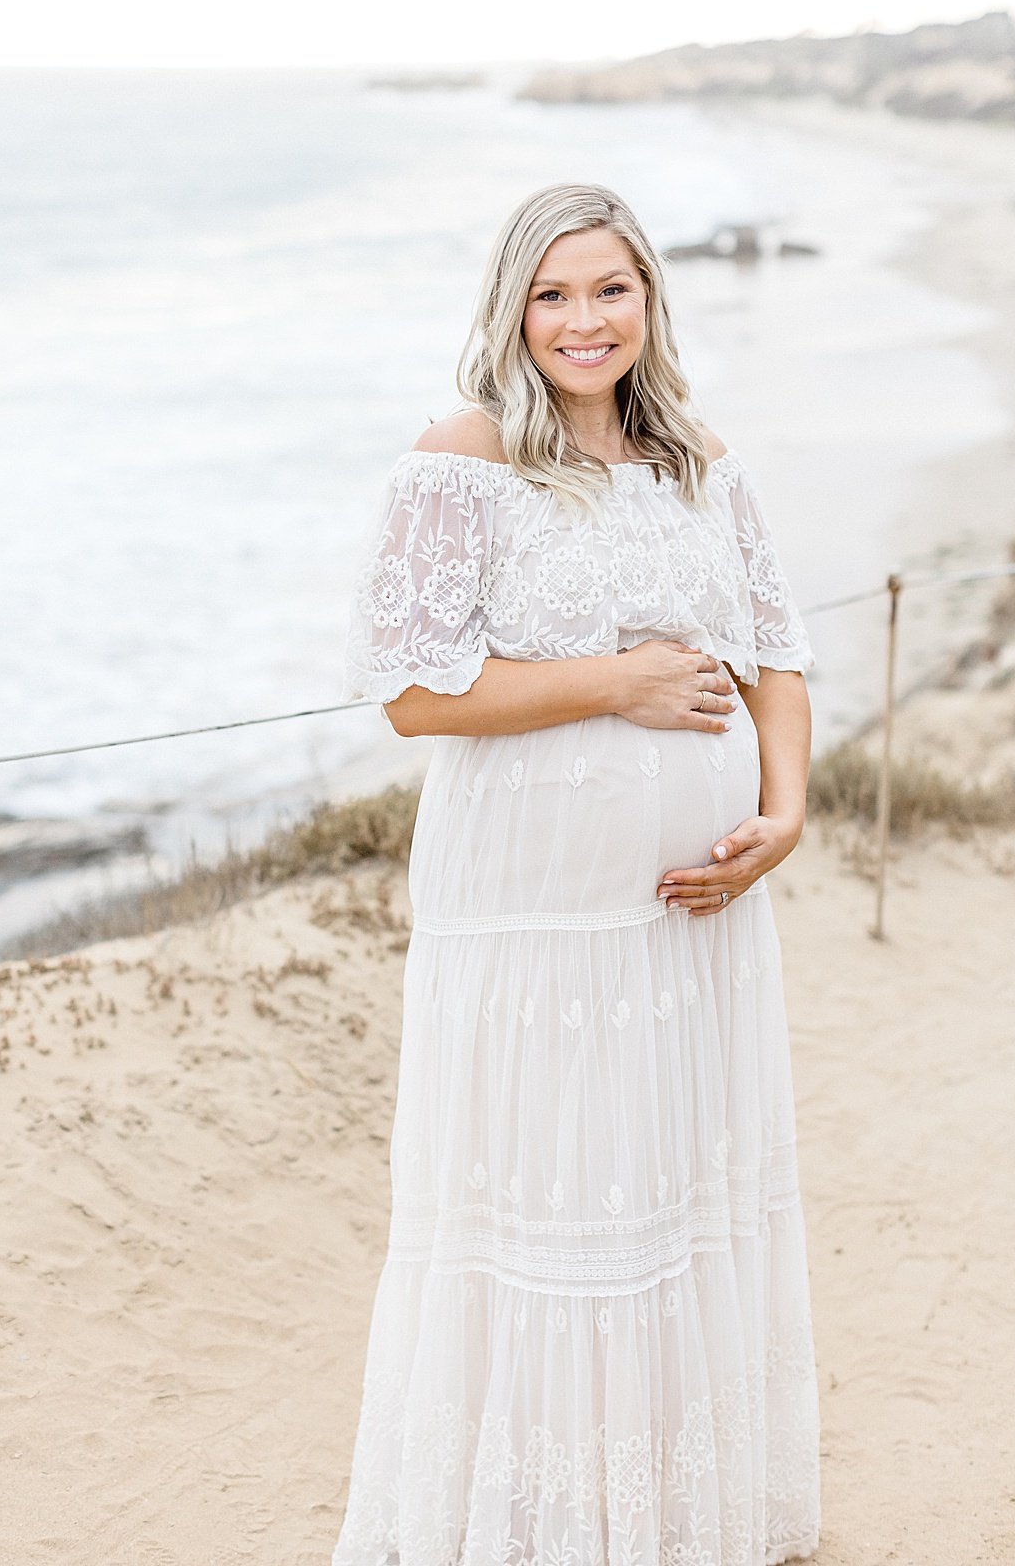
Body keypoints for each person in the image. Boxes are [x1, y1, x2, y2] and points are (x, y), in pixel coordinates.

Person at [332, 182, 821, 1565]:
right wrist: (622, 682)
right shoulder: (466, 453)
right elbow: (414, 697)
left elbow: (776, 657)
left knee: (671, 1201)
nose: (583, 320)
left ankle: (669, 1521)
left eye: (609, 288)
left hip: (698, 920)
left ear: (650, 298)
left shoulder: (701, 461)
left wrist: (782, 816)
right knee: (548, 1207)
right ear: (513, 310)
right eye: (553, 294)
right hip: (527, 917)